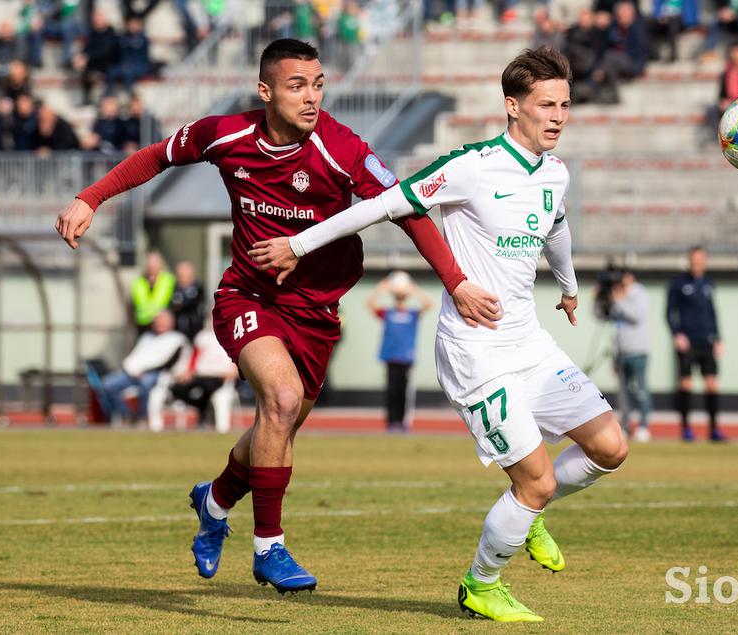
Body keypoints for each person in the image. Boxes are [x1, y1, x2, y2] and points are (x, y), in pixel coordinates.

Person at [55, 38, 499, 595]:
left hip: (316, 312)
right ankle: (270, 548)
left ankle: (213, 503)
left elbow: (408, 209)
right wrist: (91, 198)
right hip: (249, 296)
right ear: (265, 91)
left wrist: (456, 283)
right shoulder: (227, 135)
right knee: (281, 400)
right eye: (296, 86)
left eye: (317, 85)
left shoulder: (343, 150)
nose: (311, 97)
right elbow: (157, 156)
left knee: (279, 425)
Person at [250, 46, 629, 621]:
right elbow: (381, 205)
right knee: (536, 481)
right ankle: (481, 584)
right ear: (512, 106)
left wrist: (569, 286)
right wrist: (298, 245)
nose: (558, 115)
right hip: (476, 351)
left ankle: (529, 514)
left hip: (529, 343)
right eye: (546, 104)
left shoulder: (556, 172)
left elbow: (556, 224)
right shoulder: (472, 167)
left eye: (565, 104)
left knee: (610, 449)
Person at [666, 245, 725, 442]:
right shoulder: (678, 283)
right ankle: (686, 429)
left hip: (707, 341)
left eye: (701, 261)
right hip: (687, 342)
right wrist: (677, 335)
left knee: (712, 384)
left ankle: (714, 429)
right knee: (686, 384)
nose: (697, 264)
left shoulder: (708, 283)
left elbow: (712, 312)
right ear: (689, 261)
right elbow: (669, 312)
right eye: (694, 260)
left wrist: (718, 338)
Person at [365, 271, 433, 432]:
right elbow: (369, 304)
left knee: (403, 392)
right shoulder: (388, 313)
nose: (400, 298)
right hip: (390, 356)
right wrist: (381, 289)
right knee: (391, 391)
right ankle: (391, 422)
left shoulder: (412, 314)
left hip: (406, 357)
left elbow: (429, 303)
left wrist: (413, 289)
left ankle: (403, 423)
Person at [99, 310, 191, 423]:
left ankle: (142, 417)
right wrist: (130, 369)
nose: (159, 324)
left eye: (162, 321)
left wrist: (145, 371)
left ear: (171, 322)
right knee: (107, 384)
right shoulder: (146, 337)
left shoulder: (177, 340)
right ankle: (124, 414)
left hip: (156, 374)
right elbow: (134, 357)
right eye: (157, 321)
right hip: (132, 374)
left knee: (146, 383)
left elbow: (169, 362)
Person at [595, 267, 652, 441]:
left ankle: (643, 426)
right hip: (620, 350)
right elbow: (602, 316)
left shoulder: (638, 293)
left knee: (641, 390)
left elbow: (636, 315)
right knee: (623, 392)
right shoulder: (616, 294)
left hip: (638, 350)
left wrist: (620, 300)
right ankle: (626, 425)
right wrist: (598, 297)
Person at [171, 315, 240, 429]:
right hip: (201, 375)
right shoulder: (202, 336)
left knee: (205, 390)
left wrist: (234, 371)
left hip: (220, 376)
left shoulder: (233, 334)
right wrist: (188, 372)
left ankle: (205, 413)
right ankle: (203, 409)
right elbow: (194, 358)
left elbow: (237, 357)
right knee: (177, 389)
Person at [132, 250, 175, 335]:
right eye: (149, 264)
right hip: (143, 326)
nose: (151, 266)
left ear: (161, 265)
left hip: (163, 328)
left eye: (154, 264)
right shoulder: (138, 282)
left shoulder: (169, 280)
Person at [170, 260, 205, 341]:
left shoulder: (197, 288)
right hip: (178, 331)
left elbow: (190, 304)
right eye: (179, 275)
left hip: (196, 330)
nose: (180, 278)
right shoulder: (174, 289)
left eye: (183, 275)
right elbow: (175, 306)